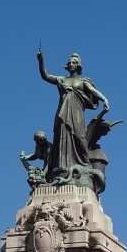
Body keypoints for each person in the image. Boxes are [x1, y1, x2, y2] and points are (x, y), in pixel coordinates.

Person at [37, 50, 109, 180]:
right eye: (69, 62)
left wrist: (104, 99)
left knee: (79, 138)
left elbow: (93, 91)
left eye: (74, 62)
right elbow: (45, 76)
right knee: (62, 138)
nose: (71, 64)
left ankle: (84, 164)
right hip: (63, 114)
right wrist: (41, 61)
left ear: (78, 66)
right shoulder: (62, 79)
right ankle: (62, 168)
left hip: (77, 115)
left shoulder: (82, 82)